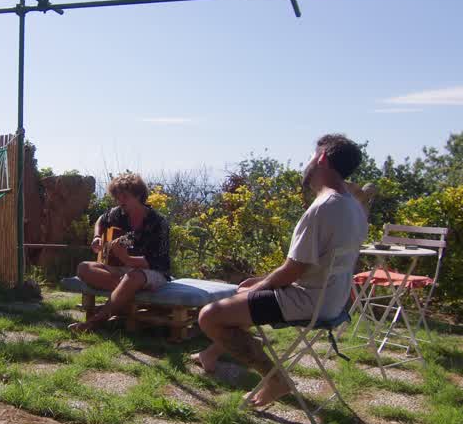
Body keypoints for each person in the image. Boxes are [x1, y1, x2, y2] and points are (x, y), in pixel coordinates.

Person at [191, 134, 369, 408]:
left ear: (321, 158)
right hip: (333, 299)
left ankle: (275, 379)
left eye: (313, 155)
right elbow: (307, 266)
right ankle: (210, 354)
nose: (308, 161)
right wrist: (260, 284)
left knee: (211, 315)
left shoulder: (324, 207)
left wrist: (259, 288)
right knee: (243, 297)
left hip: (309, 301)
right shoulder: (353, 206)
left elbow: (292, 271)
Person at [71, 172, 171, 332]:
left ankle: (96, 320)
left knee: (133, 277)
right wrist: (97, 237)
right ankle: (127, 290)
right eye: (117, 197)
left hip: (152, 271)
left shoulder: (158, 222)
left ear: (138, 195)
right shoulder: (119, 213)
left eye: (124, 196)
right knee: (84, 267)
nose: (120, 201)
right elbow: (101, 220)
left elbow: (156, 261)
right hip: (123, 271)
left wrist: (125, 258)